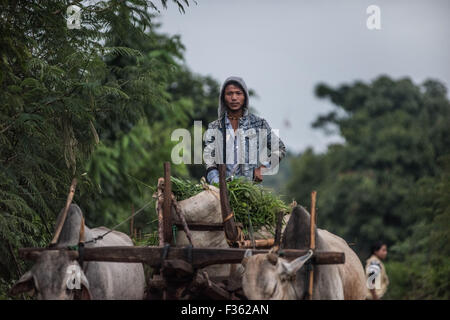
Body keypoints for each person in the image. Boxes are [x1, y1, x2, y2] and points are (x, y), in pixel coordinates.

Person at [204, 76, 286, 184]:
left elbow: (279, 148)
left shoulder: (258, 124)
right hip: (220, 189)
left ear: (245, 97)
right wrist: (216, 182)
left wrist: (262, 168)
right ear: (223, 97)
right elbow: (209, 160)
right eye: (229, 93)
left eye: (238, 93)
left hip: (248, 188)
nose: (234, 98)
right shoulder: (214, 127)